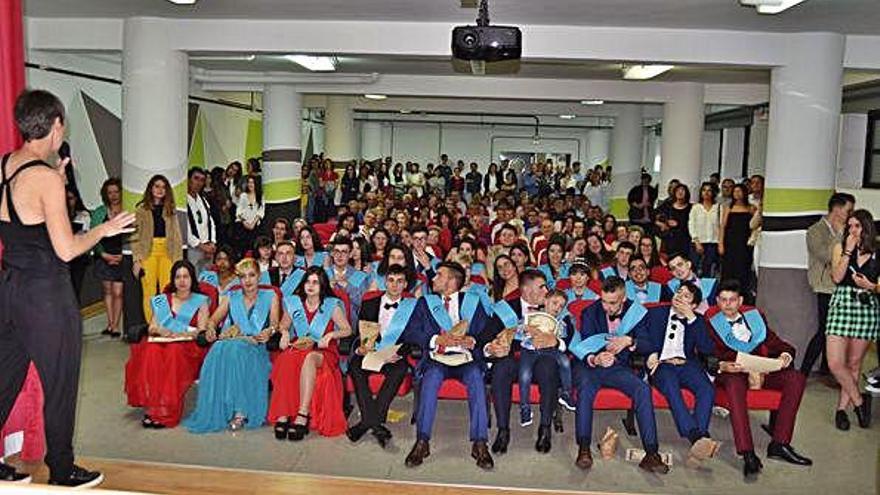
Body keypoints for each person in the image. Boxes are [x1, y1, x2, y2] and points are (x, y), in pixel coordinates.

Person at [0, 89, 134, 487]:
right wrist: (104, 229)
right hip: (45, 293)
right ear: (56, 125)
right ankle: (62, 467)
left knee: (5, 376)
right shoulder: (45, 177)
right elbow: (67, 249)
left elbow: (22, 219)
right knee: (60, 379)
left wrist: (52, 186)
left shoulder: (7, 164)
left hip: (10, 288)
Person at [706, 280, 812, 480]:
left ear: (740, 301)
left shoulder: (755, 318)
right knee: (735, 385)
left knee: (795, 378)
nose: (727, 305)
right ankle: (747, 453)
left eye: (732, 300)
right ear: (717, 301)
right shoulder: (710, 322)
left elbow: (777, 343)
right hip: (732, 371)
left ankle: (779, 443)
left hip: (760, 370)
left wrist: (785, 355)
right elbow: (703, 353)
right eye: (723, 300)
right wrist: (720, 365)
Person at [568, 276, 668, 474]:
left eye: (612, 303)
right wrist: (596, 358)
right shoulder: (590, 311)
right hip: (590, 366)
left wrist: (630, 341)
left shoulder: (636, 312)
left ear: (623, 298)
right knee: (586, 389)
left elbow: (651, 344)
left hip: (617, 367)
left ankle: (651, 453)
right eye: (604, 301)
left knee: (642, 389)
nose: (606, 307)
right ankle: (584, 448)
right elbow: (585, 343)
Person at [401, 262, 493, 470]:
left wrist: (474, 340)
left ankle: (480, 443)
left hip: (465, 359)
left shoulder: (473, 302)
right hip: (437, 358)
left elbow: (488, 329)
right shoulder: (426, 303)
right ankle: (422, 441)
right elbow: (411, 331)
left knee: (477, 380)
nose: (432, 279)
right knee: (430, 380)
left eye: (438, 275)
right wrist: (435, 340)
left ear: (451, 281)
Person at [183, 258, 277, 433]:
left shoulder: (271, 297)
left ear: (259, 277)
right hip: (231, 343)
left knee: (234, 350)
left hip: (256, 346)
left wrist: (269, 331)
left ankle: (240, 411)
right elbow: (213, 320)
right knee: (218, 349)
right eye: (243, 277)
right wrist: (211, 328)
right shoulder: (230, 297)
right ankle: (221, 407)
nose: (247, 281)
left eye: (251, 275)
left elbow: (274, 324)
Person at [635, 283, 720, 467]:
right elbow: (640, 335)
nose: (680, 296)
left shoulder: (698, 320)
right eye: (678, 292)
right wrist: (650, 352)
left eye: (686, 296)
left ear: (694, 305)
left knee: (707, 389)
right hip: (662, 365)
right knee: (672, 388)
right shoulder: (655, 313)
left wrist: (691, 318)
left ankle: (699, 440)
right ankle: (696, 435)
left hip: (687, 364)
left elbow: (707, 348)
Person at [483, 270, 563, 455]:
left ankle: (545, 428)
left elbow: (571, 333)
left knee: (548, 368)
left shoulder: (553, 306)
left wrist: (557, 341)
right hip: (514, 359)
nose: (547, 290)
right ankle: (503, 430)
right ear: (526, 289)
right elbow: (486, 337)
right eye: (542, 286)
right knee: (501, 368)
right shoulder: (505, 309)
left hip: (543, 357)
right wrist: (491, 347)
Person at [269, 266, 352, 439]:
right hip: (299, 346)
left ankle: (303, 413)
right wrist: (284, 333)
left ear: (322, 285)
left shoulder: (331, 305)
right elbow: (283, 325)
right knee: (285, 358)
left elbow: (347, 330)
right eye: (307, 281)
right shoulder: (294, 303)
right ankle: (284, 413)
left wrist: (331, 334)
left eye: (315, 282)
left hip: (323, 352)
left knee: (309, 357)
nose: (310, 286)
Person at [125, 260, 210, 429]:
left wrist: (182, 333)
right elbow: (153, 326)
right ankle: (155, 406)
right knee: (151, 351)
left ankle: (167, 411)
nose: (182, 281)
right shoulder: (163, 300)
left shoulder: (201, 301)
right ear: (173, 280)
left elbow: (201, 330)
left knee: (173, 353)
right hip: (164, 340)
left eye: (186, 276)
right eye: (178, 277)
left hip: (188, 347)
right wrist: (160, 331)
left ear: (192, 278)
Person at [347, 265, 415, 448]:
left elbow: (414, 337)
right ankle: (376, 423)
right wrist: (360, 348)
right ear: (385, 281)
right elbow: (359, 334)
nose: (394, 285)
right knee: (355, 366)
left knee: (399, 369)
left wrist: (397, 353)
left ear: (405, 285)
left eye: (399, 281)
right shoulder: (369, 303)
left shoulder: (411, 307)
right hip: (371, 352)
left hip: (393, 355)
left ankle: (366, 423)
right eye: (391, 280)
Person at [825, 209, 878, 430]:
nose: (853, 230)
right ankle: (859, 402)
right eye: (850, 226)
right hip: (842, 304)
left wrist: (872, 286)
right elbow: (837, 277)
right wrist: (847, 251)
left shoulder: (877, 252)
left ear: (867, 228)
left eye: (858, 226)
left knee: (854, 364)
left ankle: (841, 410)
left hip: (866, 306)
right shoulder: (840, 248)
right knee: (836, 363)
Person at [801, 192, 855, 376]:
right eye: (849, 210)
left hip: (842, 287)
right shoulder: (815, 231)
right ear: (837, 209)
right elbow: (825, 256)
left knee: (834, 333)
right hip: (824, 286)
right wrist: (839, 235)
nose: (850, 214)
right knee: (824, 329)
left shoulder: (849, 230)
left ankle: (828, 369)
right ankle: (804, 371)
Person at [133, 174, 183, 322]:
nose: (160, 190)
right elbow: (134, 237)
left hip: (168, 252)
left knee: (166, 290)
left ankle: (165, 324)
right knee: (148, 291)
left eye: (163, 187)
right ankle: (152, 326)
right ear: (151, 188)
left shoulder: (170, 210)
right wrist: (137, 260)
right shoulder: (141, 210)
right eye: (157, 186)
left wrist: (179, 260)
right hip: (148, 252)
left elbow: (177, 236)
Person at [92, 177, 126, 337]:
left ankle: (117, 326)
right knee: (107, 290)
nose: (113, 195)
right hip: (104, 255)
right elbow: (93, 235)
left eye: (116, 191)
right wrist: (103, 254)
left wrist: (122, 255)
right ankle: (110, 324)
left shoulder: (127, 210)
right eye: (109, 192)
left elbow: (134, 233)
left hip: (121, 255)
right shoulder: (99, 212)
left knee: (118, 292)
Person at [720, 183, 757, 300]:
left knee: (743, 267)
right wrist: (720, 243)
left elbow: (754, 225)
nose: (737, 194)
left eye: (740, 191)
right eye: (735, 191)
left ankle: (743, 294)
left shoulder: (751, 208)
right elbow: (722, 226)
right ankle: (726, 293)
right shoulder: (728, 207)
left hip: (744, 242)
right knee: (729, 268)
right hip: (730, 242)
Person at [186, 167, 216, 273]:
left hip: (208, 247)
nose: (199, 183)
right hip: (193, 248)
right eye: (196, 178)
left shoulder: (202, 200)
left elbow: (210, 222)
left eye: (202, 180)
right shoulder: (183, 201)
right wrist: (201, 246)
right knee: (194, 278)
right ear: (189, 180)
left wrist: (212, 242)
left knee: (207, 280)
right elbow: (185, 228)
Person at [689, 182, 720, 278]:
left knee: (709, 269)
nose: (706, 193)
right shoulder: (696, 207)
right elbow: (691, 224)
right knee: (694, 268)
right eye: (704, 190)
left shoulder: (718, 207)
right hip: (697, 242)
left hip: (713, 243)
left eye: (709, 190)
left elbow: (721, 225)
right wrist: (696, 241)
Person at [66, 186, 90, 302]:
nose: (68, 201)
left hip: (78, 258)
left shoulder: (83, 216)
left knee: (75, 290)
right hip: (62, 258)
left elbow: (84, 239)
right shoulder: (58, 216)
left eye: (71, 198)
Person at [234, 174, 264, 255]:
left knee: (254, 247)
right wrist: (244, 222)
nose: (250, 184)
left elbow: (261, 211)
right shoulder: (243, 195)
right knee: (244, 248)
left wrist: (253, 223)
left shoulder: (260, 196)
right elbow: (239, 210)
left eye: (252, 183)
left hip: (255, 226)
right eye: (249, 182)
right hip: (243, 226)